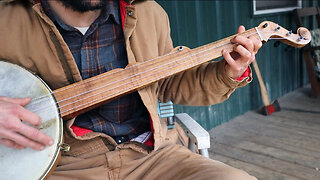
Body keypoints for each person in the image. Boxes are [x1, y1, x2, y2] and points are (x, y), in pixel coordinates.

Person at [0, 0, 262, 179]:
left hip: (152, 156)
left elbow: (171, 83)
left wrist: (229, 73)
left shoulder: (149, 12)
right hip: (62, 166)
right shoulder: (7, 19)